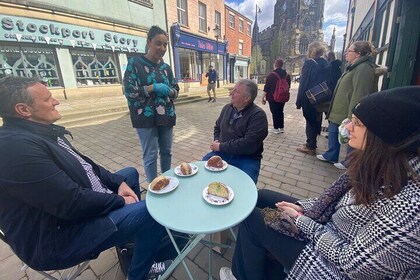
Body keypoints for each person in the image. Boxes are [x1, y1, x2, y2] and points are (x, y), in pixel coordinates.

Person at [220, 86, 420, 280]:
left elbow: (351, 265)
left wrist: (301, 220)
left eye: (358, 123)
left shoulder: (410, 206)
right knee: (261, 197)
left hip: (333, 265)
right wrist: (302, 207)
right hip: (331, 227)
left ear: (384, 134)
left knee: (253, 220)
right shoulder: (380, 165)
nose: (348, 127)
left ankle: (243, 273)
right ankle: (259, 258)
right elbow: (331, 201)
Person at [0, 76, 170, 280]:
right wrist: (120, 201)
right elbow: (70, 202)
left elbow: (86, 165)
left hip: (73, 211)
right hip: (57, 238)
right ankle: (139, 274)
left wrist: (118, 184)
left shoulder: (40, 132)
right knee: (150, 212)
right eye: (47, 99)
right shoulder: (15, 148)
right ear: (23, 110)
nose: (56, 101)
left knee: (129, 174)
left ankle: (130, 242)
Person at [124, 26, 179, 183]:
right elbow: (129, 91)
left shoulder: (166, 69)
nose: (162, 48)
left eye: (165, 45)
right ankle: (154, 188)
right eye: (158, 43)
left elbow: (176, 91)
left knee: (167, 152)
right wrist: (152, 88)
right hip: (145, 117)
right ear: (149, 42)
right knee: (150, 155)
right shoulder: (135, 63)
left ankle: (167, 183)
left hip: (166, 116)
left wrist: (169, 91)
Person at [317, 41, 383, 170]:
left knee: (352, 134)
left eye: (349, 51)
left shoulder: (363, 68)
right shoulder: (354, 66)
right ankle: (331, 155)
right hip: (339, 110)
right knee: (334, 130)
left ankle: (350, 161)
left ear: (358, 54)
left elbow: (360, 93)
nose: (346, 53)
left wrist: (353, 117)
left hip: (348, 111)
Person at [202, 79, 268, 184]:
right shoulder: (227, 108)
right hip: (222, 153)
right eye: (233, 89)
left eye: (236, 91)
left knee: (244, 185)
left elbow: (248, 144)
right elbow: (217, 127)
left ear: (247, 98)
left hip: (246, 158)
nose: (231, 93)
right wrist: (217, 141)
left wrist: (220, 146)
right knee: (203, 171)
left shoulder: (258, 116)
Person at [296, 41, 331, 155]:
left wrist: (299, 100)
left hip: (310, 97)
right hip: (322, 96)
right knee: (317, 118)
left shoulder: (309, 64)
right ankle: (312, 142)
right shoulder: (326, 63)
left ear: (311, 51)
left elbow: (304, 83)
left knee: (310, 120)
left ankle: (310, 146)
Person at [262, 58, 291, 134]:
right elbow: (289, 86)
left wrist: (263, 97)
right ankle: (281, 127)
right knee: (281, 111)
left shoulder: (271, 75)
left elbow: (267, 87)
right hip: (283, 96)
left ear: (275, 64)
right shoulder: (287, 75)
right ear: (282, 65)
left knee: (274, 112)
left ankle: (275, 128)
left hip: (272, 97)